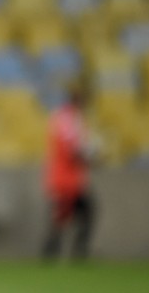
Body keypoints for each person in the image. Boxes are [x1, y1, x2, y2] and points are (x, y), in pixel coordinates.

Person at [41, 82, 97, 260]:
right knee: (68, 215)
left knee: (69, 215)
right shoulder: (68, 118)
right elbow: (70, 149)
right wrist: (88, 158)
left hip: (69, 178)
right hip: (65, 178)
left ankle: (57, 250)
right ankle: (66, 251)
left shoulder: (71, 117)